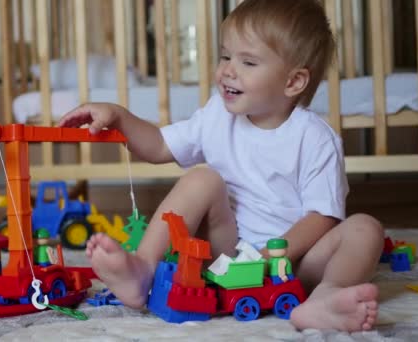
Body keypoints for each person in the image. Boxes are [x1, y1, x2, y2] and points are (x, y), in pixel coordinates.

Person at [58, 0, 383, 332]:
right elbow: (157, 145)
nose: (228, 69)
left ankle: (326, 298)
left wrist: (270, 257)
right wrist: (120, 117)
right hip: (227, 256)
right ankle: (142, 269)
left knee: (365, 228)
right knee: (202, 179)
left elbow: (322, 217)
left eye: (248, 61)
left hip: (295, 264)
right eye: (226, 56)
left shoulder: (314, 138)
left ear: (293, 82)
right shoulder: (217, 115)